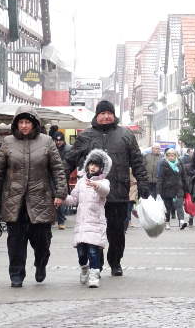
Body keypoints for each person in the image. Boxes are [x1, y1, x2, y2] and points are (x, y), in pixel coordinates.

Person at [0, 106, 67, 287]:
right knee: (15, 242)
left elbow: (58, 170)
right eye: (20, 122)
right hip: (14, 200)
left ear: (34, 123)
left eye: (27, 122)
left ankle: (41, 263)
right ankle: (16, 273)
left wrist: (60, 193)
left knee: (42, 241)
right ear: (16, 124)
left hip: (41, 199)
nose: (24, 126)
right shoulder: (8, 142)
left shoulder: (47, 142)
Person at [65, 100, 148, 277]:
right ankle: (97, 263)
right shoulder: (86, 135)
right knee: (95, 230)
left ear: (113, 115)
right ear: (97, 115)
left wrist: (143, 182)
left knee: (117, 231)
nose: (106, 116)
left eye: (109, 113)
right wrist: (61, 181)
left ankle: (115, 261)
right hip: (93, 194)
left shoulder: (126, 135)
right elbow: (70, 159)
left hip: (118, 191)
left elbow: (137, 161)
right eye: (102, 113)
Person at [64, 149, 111, 288]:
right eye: (91, 164)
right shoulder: (81, 182)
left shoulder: (104, 181)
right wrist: (62, 198)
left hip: (96, 223)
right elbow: (73, 199)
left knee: (93, 250)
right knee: (81, 252)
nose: (93, 167)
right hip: (82, 223)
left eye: (96, 165)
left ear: (101, 168)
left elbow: (105, 191)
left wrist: (96, 185)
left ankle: (94, 275)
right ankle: (84, 268)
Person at [157, 148, 189, 230]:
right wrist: (158, 192)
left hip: (178, 187)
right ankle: (167, 223)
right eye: (169, 155)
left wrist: (187, 188)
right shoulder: (163, 163)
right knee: (168, 207)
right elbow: (160, 178)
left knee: (179, 205)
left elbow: (184, 176)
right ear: (167, 156)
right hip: (167, 188)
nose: (171, 157)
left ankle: (182, 221)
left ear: (176, 156)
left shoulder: (180, 163)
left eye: (173, 155)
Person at [52, 131, 72, 230]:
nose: (58, 142)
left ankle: (61, 221)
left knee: (61, 197)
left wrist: (67, 172)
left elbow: (71, 163)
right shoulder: (51, 148)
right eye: (57, 140)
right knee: (53, 196)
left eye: (60, 140)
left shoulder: (68, 149)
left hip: (63, 176)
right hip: (52, 176)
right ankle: (55, 219)